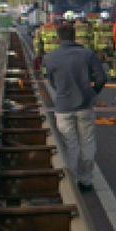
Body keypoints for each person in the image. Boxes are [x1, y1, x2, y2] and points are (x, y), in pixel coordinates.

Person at [44, 22, 107, 190]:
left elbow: (51, 82)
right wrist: (93, 93)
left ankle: (72, 182)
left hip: (63, 108)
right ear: (74, 36)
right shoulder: (87, 54)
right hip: (85, 106)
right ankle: (86, 180)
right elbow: (101, 78)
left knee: (70, 145)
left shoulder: (50, 58)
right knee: (87, 143)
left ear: (58, 38)